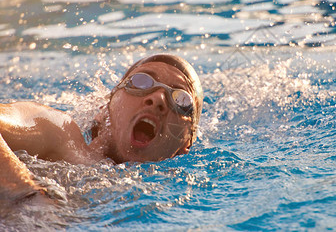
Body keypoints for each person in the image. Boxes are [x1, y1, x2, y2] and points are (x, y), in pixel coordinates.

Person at [0, 53, 203, 203]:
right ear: (104, 109)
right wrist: (28, 193)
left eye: (181, 100)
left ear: (186, 143)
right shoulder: (57, 130)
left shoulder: (167, 197)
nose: (158, 98)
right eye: (141, 82)